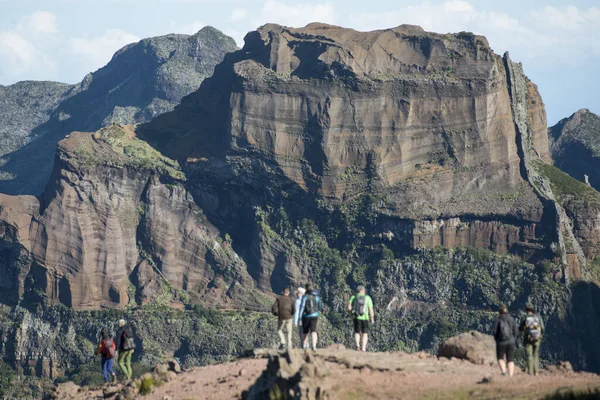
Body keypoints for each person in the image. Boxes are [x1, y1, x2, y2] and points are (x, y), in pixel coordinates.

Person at [492, 305, 518, 376]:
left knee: (500, 358)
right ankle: (510, 376)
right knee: (510, 359)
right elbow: (515, 331)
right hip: (511, 341)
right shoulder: (511, 319)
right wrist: (513, 339)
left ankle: (503, 371)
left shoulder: (497, 319)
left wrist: (496, 340)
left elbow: (494, 332)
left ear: (499, 312)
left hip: (501, 342)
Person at [520, 304, 545, 376]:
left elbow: (521, 328)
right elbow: (542, 328)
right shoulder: (538, 317)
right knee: (536, 355)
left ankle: (530, 372)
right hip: (537, 338)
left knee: (529, 355)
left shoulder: (525, 317)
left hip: (528, 339)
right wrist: (540, 335)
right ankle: (536, 372)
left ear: (526, 310)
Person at [348, 285, 374, 352]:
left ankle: (357, 346)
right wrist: (372, 319)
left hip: (356, 317)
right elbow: (371, 310)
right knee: (365, 333)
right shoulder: (368, 298)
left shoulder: (353, 297)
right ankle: (363, 348)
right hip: (365, 318)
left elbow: (349, 308)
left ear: (357, 291)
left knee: (357, 332)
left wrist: (351, 313)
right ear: (364, 291)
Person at [298, 284, 322, 351]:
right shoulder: (317, 297)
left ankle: (304, 346)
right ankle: (314, 346)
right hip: (315, 315)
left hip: (306, 316)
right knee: (313, 331)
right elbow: (320, 307)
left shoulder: (305, 296)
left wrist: (300, 318)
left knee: (305, 331)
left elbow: (302, 307)